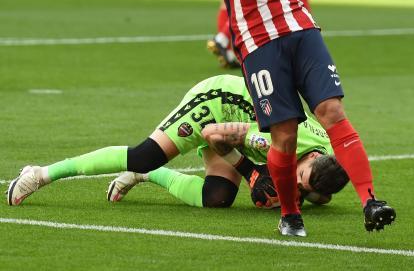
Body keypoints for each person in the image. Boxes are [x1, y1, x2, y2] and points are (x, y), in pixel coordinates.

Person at [194, 0, 414, 236]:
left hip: (302, 30)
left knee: (333, 111)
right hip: (258, 41)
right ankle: (290, 214)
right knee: (284, 135)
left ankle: (370, 201)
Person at [7, 75, 348, 209]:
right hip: (216, 104)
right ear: (309, 158)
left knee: (216, 198)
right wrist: (252, 174)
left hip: (241, 128)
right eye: (299, 178)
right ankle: (41, 174)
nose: (297, 185)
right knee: (144, 155)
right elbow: (214, 135)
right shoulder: (278, 140)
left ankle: (147, 176)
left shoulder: (327, 161)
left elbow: (320, 192)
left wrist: (301, 193)